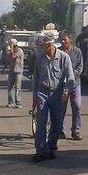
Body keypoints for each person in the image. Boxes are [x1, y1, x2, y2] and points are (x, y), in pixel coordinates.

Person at [31, 34, 76, 162]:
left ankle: (51, 147)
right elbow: (36, 77)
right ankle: (40, 151)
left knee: (56, 123)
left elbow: (70, 77)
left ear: (50, 45)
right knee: (41, 122)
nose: (41, 48)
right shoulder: (40, 57)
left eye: (43, 46)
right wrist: (34, 97)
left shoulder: (64, 57)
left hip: (57, 94)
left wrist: (67, 91)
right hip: (42, 93)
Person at [58, 33, 84, 140]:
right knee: (61, 108)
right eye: (61, 40)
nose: (63, 42)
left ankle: (76, 130)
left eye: (65, 39)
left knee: (76, 105)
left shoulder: (77, 51)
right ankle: (60, 130)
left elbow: (80, 66)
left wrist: (71, 75)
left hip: (75, 83)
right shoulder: (58, 52)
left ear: (70, 39)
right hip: (62, 84)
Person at [6, 39, 25, 108]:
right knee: (10, 87)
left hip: (18, 71)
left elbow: (13, 56)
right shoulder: (11, 51)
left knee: (17, 88)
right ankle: (11, 102)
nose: (9, 45)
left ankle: (18, 102)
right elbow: (8, 60)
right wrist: (4, 69)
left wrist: (11, 48)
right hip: (11, 71)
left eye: (10, 44)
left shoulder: (19, 50)